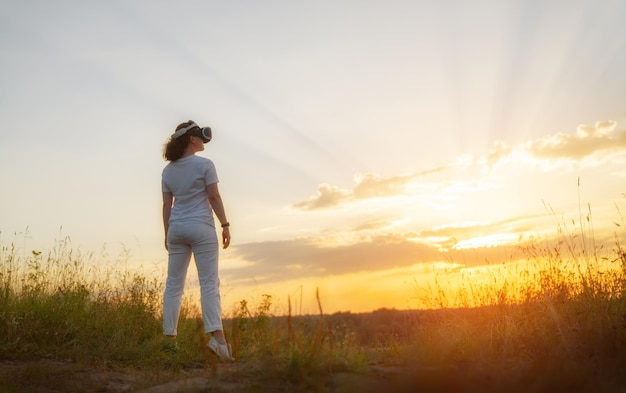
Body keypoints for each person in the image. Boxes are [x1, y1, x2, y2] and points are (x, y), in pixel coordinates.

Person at [161, 120, 233, 361]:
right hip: (201, 227)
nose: (203, 139)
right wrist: (225, 224)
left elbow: (166, 205)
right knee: (209, 283)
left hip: (177, 229)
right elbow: (213, 196)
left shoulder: (168, 171)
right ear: (192, 139)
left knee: (173, 285)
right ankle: (218, 340)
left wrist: (167, 233)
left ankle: (169, 339)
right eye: (200, 136)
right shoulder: (205, 165)